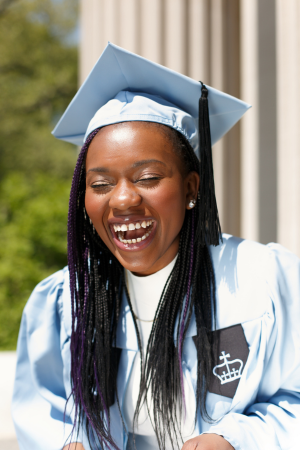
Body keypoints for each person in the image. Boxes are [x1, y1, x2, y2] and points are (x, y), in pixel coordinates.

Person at [12, 43, 300, 450]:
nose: (123, 199)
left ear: (191, 188)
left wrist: (238, 439)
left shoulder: (263, 280)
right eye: (100, 184)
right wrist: (70, 443)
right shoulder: (64, 302)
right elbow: (44, 412)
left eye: (147, 177)